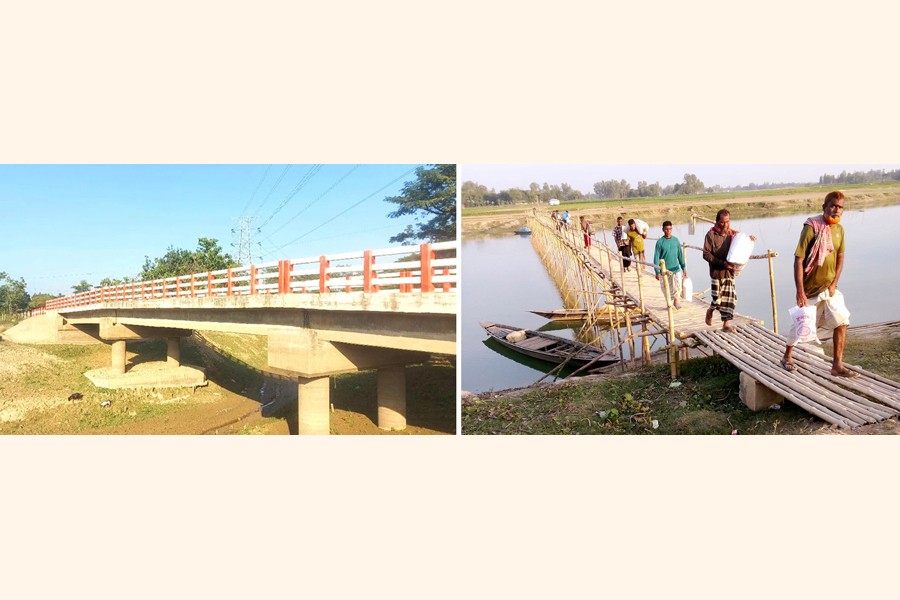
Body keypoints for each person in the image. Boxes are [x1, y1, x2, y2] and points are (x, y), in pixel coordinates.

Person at [781, 191, 857, 377]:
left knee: (842, 321)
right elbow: (798, 260)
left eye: (840, 207)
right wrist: (800, 291)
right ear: (824, 207)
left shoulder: (839, 230)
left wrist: (834, 283)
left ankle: (837, 365)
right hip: (810, 290)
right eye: (832, 206)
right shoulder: (811, 227)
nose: (836, 210)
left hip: (829, 289)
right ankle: (787, 356)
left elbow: (840, 257)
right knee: (800, 326)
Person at [702, 209, 757, 331]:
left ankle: (726, 324)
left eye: (727, 222)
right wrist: (722, 263)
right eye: (722, 222)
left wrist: (750, 239)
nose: (725, 225)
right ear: (717, 222)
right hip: (716, 271)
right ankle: (710, 310)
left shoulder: (732, 234)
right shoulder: (711, 235)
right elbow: (706, 254)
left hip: (729, 272)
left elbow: (742, 241)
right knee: (717, 299)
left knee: (730, 298)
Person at [653, 221, 687, 308]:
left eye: (670, 229)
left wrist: (684, 268)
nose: (668, 231)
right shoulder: (660, 242)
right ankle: (669, 303)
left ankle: (676, 301)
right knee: (666, 288)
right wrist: (657, 271)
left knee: (678, 286)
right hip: (665, 270)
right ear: (663, 230)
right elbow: (656, 257)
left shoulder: (675, 240)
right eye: (666, 229)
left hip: (676, 269)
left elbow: (680, 255)